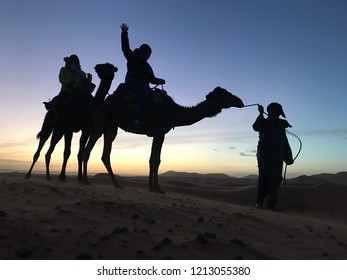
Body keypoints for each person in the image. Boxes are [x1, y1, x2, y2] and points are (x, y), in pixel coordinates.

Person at [120, 23, 165, 125]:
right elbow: (125, 49)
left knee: (161, 96)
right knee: (144, 91)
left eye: (149, 53)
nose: (147, 55)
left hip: (144, 85)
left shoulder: (148, 67)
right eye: (145, 52)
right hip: (131, 82)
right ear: (141, 51)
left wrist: (159, 81)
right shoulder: (132, 58)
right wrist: (124, 33)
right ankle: (137, 117)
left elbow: (152, 79)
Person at [252, 102, 294, 211]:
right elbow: (256, 127)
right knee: (264, 178)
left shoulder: (281, 125)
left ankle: (271, 204)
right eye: (273, 110)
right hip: (265, 156)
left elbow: (284, 142)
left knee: (276, 179)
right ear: (270, 111)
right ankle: (259, 202)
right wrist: (261, 114)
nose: (276, 113)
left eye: (277, 111)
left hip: (278, 156)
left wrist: (288, 156)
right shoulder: (264, 122)